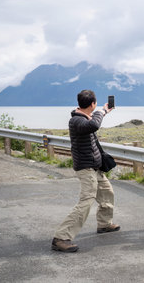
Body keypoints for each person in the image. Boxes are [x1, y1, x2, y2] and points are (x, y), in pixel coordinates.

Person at [51, 90, 120, 252]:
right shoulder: (76, 120)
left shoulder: (84, 118)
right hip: (86, 168)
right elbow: (94, 125)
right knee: (86, 201)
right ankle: (61, 237)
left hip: (95, 167)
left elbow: (92, 123)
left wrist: (100, 112)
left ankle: (104, 224)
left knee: (107, 193)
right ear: (92, 104)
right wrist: (102, 111)